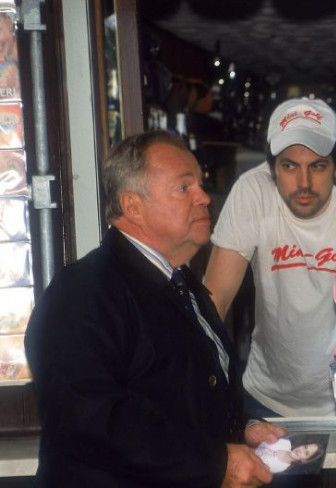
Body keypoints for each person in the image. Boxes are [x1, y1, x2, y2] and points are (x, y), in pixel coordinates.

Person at [24, 130, 287, 487]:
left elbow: (182, 393)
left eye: (200, 185)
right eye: (184, 187)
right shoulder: (81, 292)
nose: (203, 198)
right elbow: (92, 420)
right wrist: (214, 463)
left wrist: (241, 428)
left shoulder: (180, 281)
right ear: (133, 206)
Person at [204, 97, 336, 418]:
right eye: (289, 166)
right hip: (268, 399)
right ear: (271, 168)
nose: (303, 183)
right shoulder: (252, 191)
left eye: (317, 166)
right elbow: (215, 299)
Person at [255, 437, 324, 474]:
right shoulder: (284, 442)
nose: (301, 450)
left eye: (306, 453)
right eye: (305, 447)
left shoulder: (280, 468)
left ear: (304, 460)